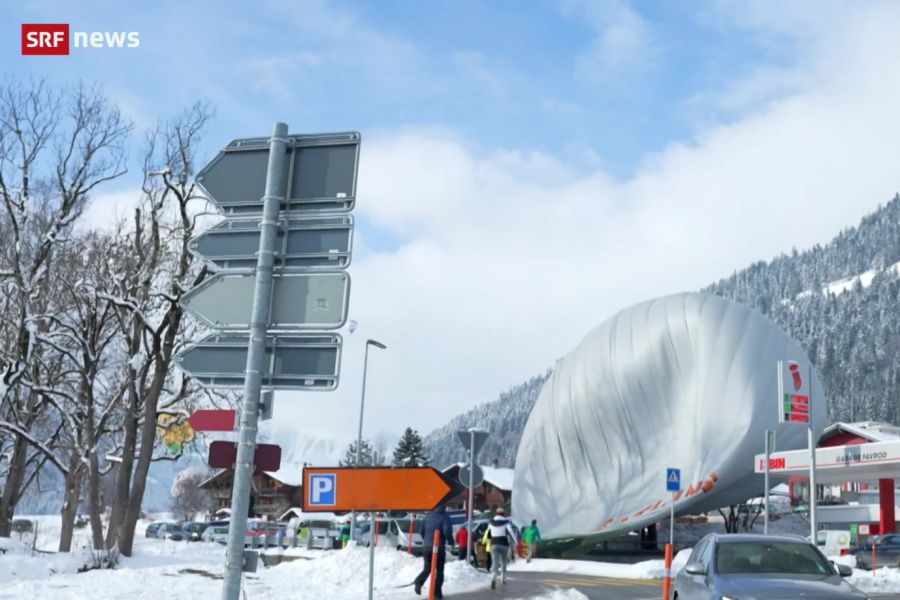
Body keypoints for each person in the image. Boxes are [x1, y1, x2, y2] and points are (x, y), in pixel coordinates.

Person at [414, 505, 454, 598]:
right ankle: (437, 592)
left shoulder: (427, 516)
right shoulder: (444, 516)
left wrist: (427, 540)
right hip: (438, 548)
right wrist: (451, 541)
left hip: (427, 547)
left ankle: (418, 582)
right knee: (439, 570)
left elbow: (421, 531)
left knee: (427, 568)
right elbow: (447, 531)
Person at [487, 508, 514, 589]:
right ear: (503, 514)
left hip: (494, 544)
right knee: (503, 561)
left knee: (495, 562)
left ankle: (493, 578)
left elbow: (488, 534)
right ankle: (503, 579)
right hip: (504, 544)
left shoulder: (490, 523)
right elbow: (511, 533)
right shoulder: (506, 523)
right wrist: (516, 542)